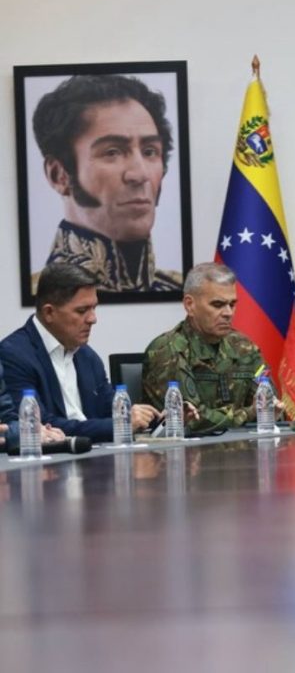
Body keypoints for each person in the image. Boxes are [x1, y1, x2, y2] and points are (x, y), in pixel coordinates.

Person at [31, 74, 181, 293]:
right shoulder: (38, 295)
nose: (140, 174)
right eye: (112, 152)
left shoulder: (180, 288)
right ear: (59, 175)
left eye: (150, 151)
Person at [0, 263, 160, 441]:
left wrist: (152, 419)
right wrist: (120, 424)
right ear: (49, 313)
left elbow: (111, 409)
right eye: (82, 311)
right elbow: (37, 426)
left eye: (94, 308)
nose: (93, 319)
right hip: (52, 456)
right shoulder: (13, 355)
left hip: (95, 453)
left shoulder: (87, 356)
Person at [142, 262, 275, 435]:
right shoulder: (167, 350)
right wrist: (248, 413)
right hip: (186, 450)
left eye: (232, 304)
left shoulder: (244, 347)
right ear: (190, 305)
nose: (228, 313)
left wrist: (266, 410)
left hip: (243, 447)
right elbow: (193, 420)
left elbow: (268, 403)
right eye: (218, 305)